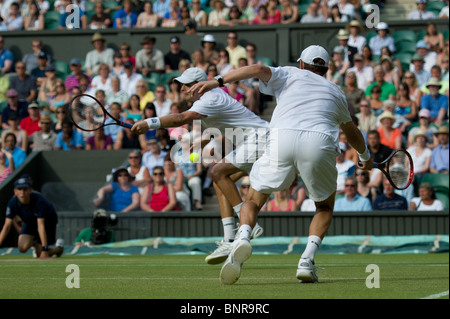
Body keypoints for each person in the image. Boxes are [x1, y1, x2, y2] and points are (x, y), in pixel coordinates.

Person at [184, 45, 372, 284]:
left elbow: (258, 68)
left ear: (301, 64)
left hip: (280, 139)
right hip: (318, 143)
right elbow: (352, 132)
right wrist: (365, 157)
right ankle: (306, 260)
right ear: (325, 69)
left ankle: (242, 237)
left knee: (252, 200)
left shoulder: (290, 73)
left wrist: (216, 81)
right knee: (323, 208)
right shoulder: (336, 91)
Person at [131, 67, 269, 263]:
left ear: (198, 86)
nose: (183, 89)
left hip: (261, 140)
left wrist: (149, 123)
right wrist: (204, 141)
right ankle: (230, 238)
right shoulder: (212, 97)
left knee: (218, 171)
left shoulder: (210, 99)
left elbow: (181, 118)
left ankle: (248, 223)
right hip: (258, 140)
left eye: (187, 85)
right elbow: (223, 123)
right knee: (219, 181)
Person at [0, 177, 63, 259]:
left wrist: (44, 250)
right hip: (29, 222)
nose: (22, 192)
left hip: (48, 222)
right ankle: (36, 243)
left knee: (40, 253)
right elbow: (7, 226)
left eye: (25, 189)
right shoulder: (12, 203)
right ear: (15, 191)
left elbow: (41, 225)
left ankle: (59, 248)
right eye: (19, 189)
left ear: (30, 190)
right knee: (22, 248)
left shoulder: (39, 201)